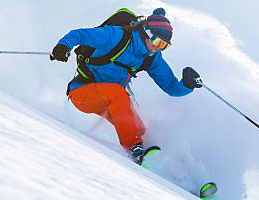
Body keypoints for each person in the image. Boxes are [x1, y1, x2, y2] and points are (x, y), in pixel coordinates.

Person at [50, 8, 202, 164]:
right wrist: (64, 46)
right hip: (83, 92)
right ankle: (134, 149)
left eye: (164, 46)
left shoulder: (152, 58)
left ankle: (165, 167)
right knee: (118, 94)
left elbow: (172, 87)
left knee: (141, 131)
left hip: (113, 101)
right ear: (147, 33)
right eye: (158, 42)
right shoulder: (117, 36)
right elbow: (81, 35)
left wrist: (187, 84)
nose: (159, 48)